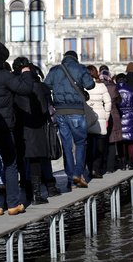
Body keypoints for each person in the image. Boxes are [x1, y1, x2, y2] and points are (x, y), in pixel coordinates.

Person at [0, 42, 33, 217]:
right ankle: (13, 204)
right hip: (3, 125)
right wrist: (26, 73)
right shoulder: (3, 75)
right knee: (10, 163)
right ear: (2, 58)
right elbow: (25, 89)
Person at [44, 50, 95, 189]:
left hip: (60, 112)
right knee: (80, 143)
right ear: (76, 58)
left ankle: (71, 178)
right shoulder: (80, 68)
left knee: (66, 145)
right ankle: (78, 173)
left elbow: (45, 86)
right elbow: (90, 85)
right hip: (76, 111)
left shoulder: (55, 70)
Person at [13, 57, 60, 205]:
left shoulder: (14, 85)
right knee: (36, 161)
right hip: (36, 126)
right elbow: (43, 108)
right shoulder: (38, 86)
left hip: (19, 127)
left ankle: (27, 191)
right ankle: (37, 194)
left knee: (22, 161)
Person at [85, 65, 111, 178]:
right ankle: (97, 169)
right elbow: (108, 103)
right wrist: (106, 117)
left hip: (87, 118)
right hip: (100, 117)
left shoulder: (83, 86)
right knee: (100, 146)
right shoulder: (102, 86)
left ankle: (90, 169)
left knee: (88, 146)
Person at [99, 69, 122, 173]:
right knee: (112, 142)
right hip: (113, 115)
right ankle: (110, 167)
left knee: (100, 142)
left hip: (99, 115)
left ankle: (100, 167)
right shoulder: (113, 87)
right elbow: (119, 100)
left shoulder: (97, 86)